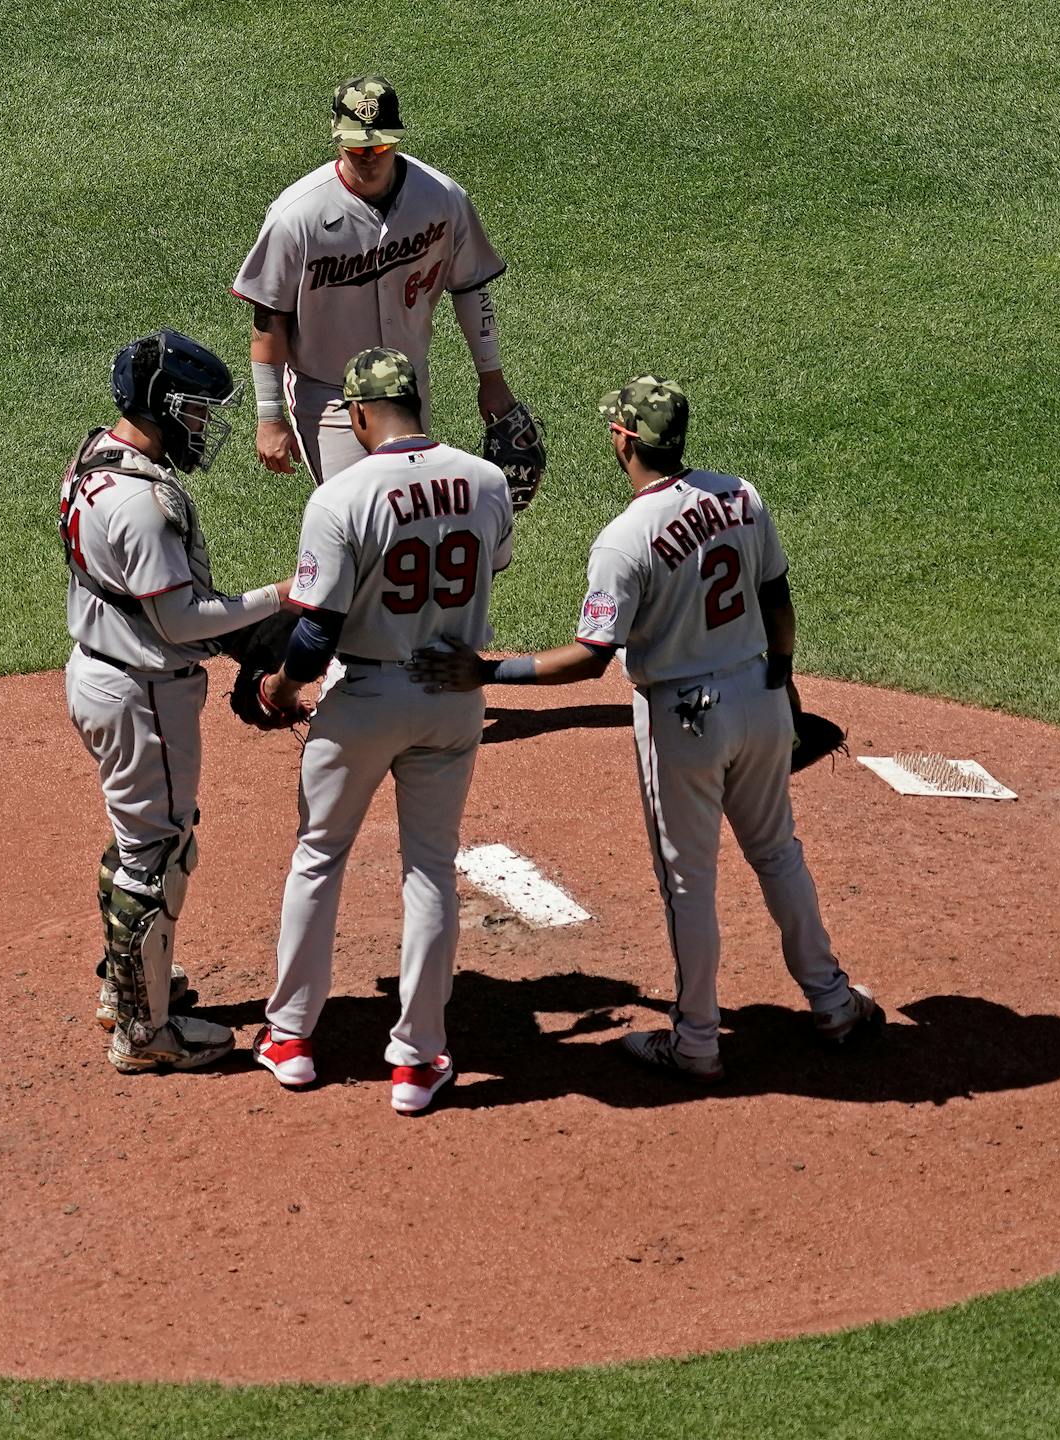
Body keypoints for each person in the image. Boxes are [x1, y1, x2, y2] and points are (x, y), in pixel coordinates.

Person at [407, 376, 883, 1081]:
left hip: (684, 720)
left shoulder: (624, 540)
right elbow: (778, 603)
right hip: (758, 693)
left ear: (625, 439)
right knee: (779, 853)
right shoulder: (742, 496)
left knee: (688, 883)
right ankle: (834, 1002)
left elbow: (591, 659)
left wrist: (488, 675)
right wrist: (782, 688)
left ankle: (695, 1041)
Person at [249, 347, 515, 1115]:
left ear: (360, 415)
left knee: (320, 858)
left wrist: (283, 689)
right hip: (451, 694)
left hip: (364, 696)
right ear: (418, 403)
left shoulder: (343, 495)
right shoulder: (486, 481)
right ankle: (417, 1060)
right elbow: (488, 565)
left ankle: (292, 1039)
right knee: (430, 868)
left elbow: (314, 634)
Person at [61, 330, 293, 1073]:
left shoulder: (94, 458)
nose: (202, 426)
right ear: (160, 404)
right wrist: (275, 599)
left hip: (104, 674)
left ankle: (125, 989)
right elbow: (180, 621)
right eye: (194, 410)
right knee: (158, 854)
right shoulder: (147, 503)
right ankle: (144, 1031)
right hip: (142, 691)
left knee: (143, 841)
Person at [233, 75, 529, 488]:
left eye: (381, 145)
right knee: (360, 512)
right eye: (357, 146)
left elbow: (469, 287)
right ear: (337, 139)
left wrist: (492, 380)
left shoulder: (442, 198)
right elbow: (269, 318)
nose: (369, 156)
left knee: (411, 503)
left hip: (408, 384)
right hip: (331, 393)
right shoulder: (298, 214)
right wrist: (269, 416)